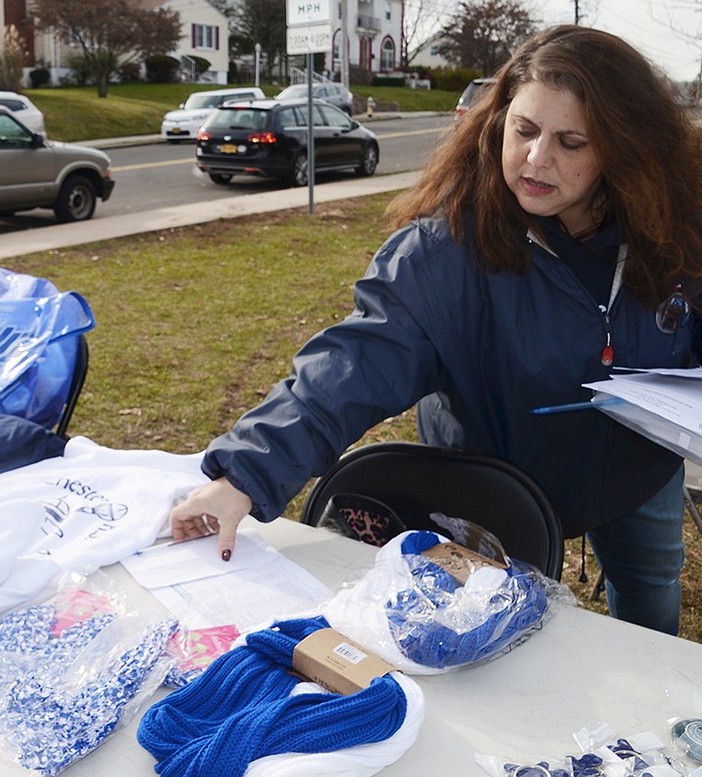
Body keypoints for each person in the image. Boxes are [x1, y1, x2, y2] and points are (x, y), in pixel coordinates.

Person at [169, 25, 702, 635]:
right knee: (499, 642)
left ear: (622, 150)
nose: (536, 159)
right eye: (524, 131)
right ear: (498, 121)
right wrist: (243, 475)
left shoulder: (676, 229)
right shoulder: (445, 253)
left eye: (571, 142)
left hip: (638, 474)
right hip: (504, 493)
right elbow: (354, 364)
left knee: (650, 603)